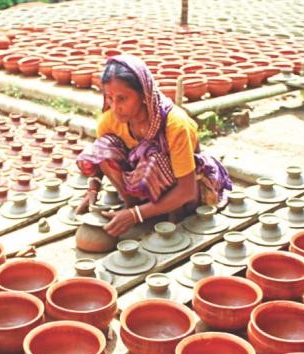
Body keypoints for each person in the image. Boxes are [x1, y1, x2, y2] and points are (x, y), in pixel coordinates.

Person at [75, 55, 232, 237]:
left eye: (122, 98)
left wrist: (136, 216)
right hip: (144, 184)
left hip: (186, 191)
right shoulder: (110, 121)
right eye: (109, 98)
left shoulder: (175, 124)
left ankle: (167, 216)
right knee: (104, 146)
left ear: (143, 95)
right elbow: (101, 158)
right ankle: (135, 206)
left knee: (154, 160)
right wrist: (93, 188)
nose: (115, 106)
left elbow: (186, 190)